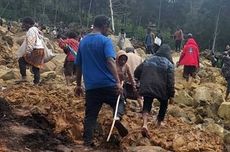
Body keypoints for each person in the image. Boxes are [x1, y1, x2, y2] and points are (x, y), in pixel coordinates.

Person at [75, 15, 128, 148]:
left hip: (91, 86)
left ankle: (87, 143)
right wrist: (117, 81)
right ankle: (117, 117)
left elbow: (79, 66)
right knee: (120, 100)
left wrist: (77, 85)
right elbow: (110, 61)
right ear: (104, 25)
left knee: (90, 116)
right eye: (108, 27)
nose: (108, 30)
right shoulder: (105, 41)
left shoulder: (83, 42)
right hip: (108, 84)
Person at [134, 44, 175, 138]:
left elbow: (137, 72)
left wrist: (141, 79)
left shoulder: (149, 59)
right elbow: (170, 81)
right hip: (161, 88)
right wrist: (171, 94)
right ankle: (159, 123)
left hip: (147, 85)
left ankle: (145, 124)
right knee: (164, 103)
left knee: (147, 103)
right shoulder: (169, 64)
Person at [17, 17, 45, 85]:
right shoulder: (36, 30)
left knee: (21, 60)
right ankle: (36, 82)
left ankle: (24, 77)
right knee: (36, 66)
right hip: (41, 50)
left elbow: (31, 41)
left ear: (29, 24)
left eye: (24, 24)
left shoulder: (31, 30)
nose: (23, 26)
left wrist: (28, 51)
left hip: (35, 50)